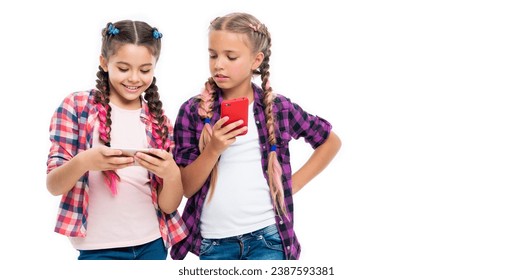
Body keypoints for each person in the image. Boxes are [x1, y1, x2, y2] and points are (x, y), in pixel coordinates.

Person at [170, 12, 341, 260]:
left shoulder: (278, 108)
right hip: (214, 243)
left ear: (256, 60)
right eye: (213, 55)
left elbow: (330, 141)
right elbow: (186, 188)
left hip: (268, 238)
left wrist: (292, 184)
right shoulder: (192, 111)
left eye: (231, 57)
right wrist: (213, 149)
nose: (219, 64)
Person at [46, 20, 187, 260]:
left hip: (152, 243)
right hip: (97, 248)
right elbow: (53, 186)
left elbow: (168, 206)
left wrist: (172, 173)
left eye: (144, 70)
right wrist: (85, 161)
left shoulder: (159, 120)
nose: (134, 78)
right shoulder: (77, 106)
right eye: (123, 68)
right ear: (104, 62)